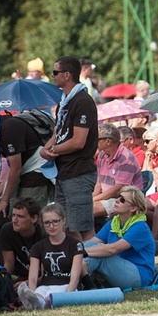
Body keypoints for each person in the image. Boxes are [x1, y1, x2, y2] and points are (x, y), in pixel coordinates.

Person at [40, 55, 99, 241]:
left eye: (55, 72)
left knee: (84, 228)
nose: (52, 75)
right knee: (67, 227)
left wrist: (54, 151)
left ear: (67, 75)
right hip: (64, 172)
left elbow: (78, 142)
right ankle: (78, 266)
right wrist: (45, 149)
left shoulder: (82, 101)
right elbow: (59, 133)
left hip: (79, 172)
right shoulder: (64, 102)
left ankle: (93, 267)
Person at [84, 186, 156, 289]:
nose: (117, 200)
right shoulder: (114, 222)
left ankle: (73, 281)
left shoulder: (140, 226)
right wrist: (69, 248)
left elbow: (112, 250)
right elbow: (92, 241)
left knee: (101, 257)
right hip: (119, 270)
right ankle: (74, 279)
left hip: (139, 276)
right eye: (118, 197)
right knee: (91, 245)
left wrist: (81, 252)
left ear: (133, 208)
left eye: (122, 199)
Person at [17, 203, 84, 310]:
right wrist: (32, 291)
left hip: (66, 285)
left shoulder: (75, 244)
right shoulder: (38, 247)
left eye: (55, 221)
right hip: (46, 285)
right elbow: (33, 277)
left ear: (63, 220)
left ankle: (40, 304)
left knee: (50, 297)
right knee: (40, 293)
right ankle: (33, 301)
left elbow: (75, 277)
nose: (51, 226)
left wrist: (67, 296)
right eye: (47, 223)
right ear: (42, 224)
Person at [0, 111, 55, 215]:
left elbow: (16, 168)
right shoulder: (3, 126)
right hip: (23, 176)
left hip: (36, 175)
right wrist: (2, 190)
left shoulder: (8, 127)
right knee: (15, 217)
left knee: (28, 217)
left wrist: (4, 200)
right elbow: (13, 164)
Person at [93, 124, 144, 218]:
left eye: (97, 138)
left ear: (108, 141)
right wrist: (93, 197)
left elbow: (118, 189)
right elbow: (98, 183)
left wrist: (94, 199)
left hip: (123, 200)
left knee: (88, 209)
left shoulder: (126, 158)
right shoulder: (102, 155)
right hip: (107, 197)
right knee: (80, 205)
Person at [0, 198, 43, 284]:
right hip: (17, 277)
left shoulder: (43, 233)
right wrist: (4, 282)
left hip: (40, 279)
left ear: (34, 218)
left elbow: (46, 274)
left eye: (20, 216)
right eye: (13, 215)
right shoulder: (7, 230)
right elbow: (8, 265)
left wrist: (27, 283)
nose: (14, 220)